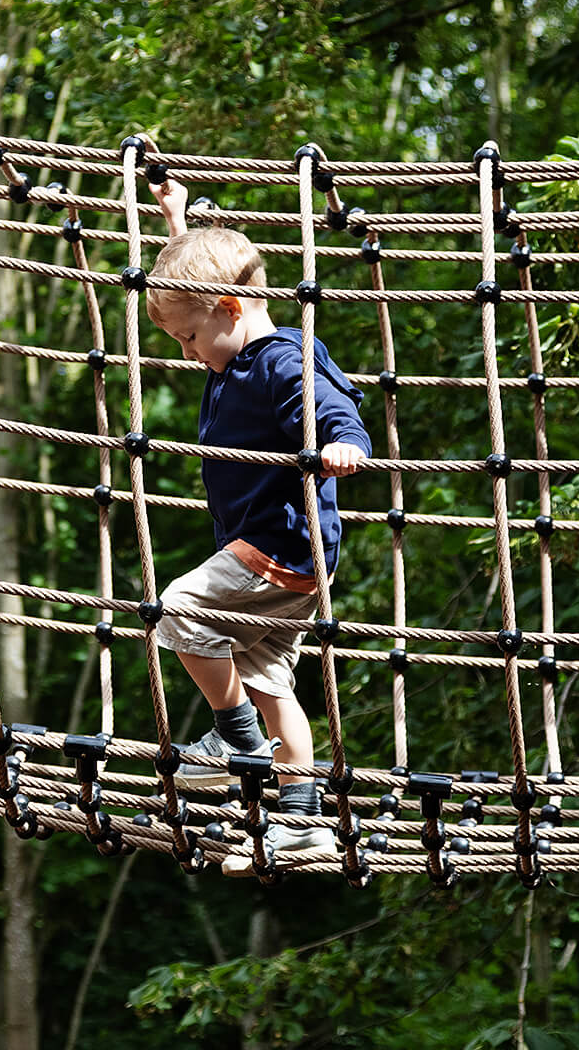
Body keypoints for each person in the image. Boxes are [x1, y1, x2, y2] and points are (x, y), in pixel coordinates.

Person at [143, 177, 372, 872]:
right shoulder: (232, 353)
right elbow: (195, 275)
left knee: (178, 608)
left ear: (232, 309)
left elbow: (328, 402)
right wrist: (176, 221)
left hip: (277, 549)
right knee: (271, 682)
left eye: (188, 337)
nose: (186, 352)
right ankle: (302, 824)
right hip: (287, 560)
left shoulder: (278, 359)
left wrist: (344, 445)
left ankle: (235, 741)